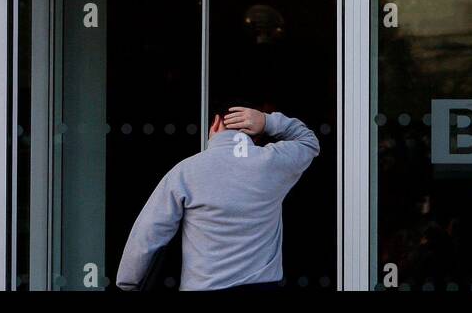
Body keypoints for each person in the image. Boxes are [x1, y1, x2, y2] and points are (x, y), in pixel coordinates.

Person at [115, 105, 319, 291]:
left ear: (215, 123)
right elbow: (308, 142)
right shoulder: (272, 163)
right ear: (255, 133)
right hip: (262, 286)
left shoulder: (185, 171)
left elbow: (149, 232)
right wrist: (267, 121)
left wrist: (128, 282)